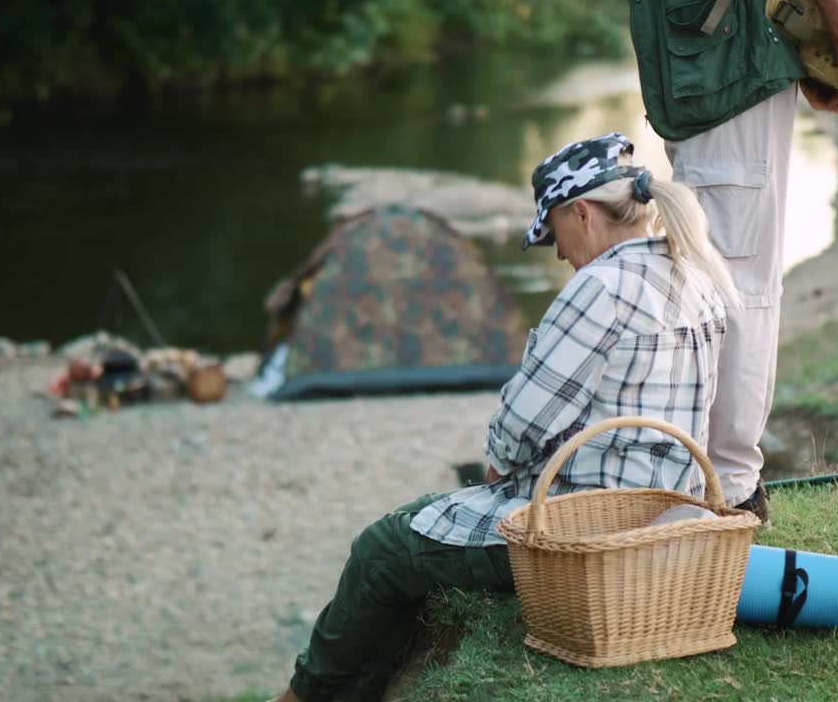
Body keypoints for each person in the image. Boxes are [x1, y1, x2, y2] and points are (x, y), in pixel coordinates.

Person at [270, 132, 739, 702]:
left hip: (589, 534)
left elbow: (523, 422)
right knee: (417, 531)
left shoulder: (601, 288)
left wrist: (499, 463)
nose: (560, 252)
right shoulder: (695, 273)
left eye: (554, 234)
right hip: (666, 520)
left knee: (385, 546)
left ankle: (305, 694)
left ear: (582, 214)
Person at [625, 0, 838, 520]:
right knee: (722, 282)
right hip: (716, 71)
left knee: (734, 286)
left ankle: (728, 487)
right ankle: (723, 480)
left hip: (726, 73)